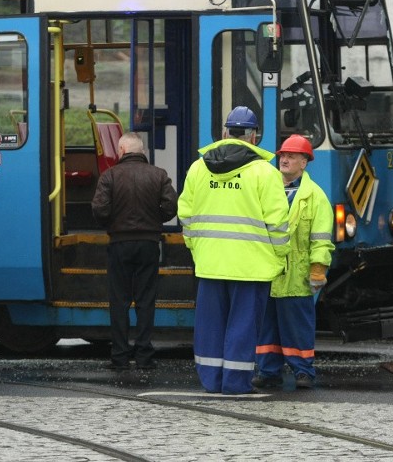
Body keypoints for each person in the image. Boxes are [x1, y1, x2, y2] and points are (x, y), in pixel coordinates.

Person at [178, 106, 290, 394]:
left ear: (225, 133)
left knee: (210, 327)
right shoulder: (265, 173)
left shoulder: (198, 168)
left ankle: (211, 381)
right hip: (252, 267)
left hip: (210, 264)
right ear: (254, 137)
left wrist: (197, 249)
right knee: (242, 327)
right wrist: (280, 258)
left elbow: (186, 216)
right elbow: (278, 224)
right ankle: (236, 383)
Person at [253, 134, 335, 389]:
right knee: (267, 329)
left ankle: (303, 371)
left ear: (304, 162)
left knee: (298, 328)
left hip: (297, 277)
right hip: (269, 273)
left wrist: (318, 269)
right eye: (283, 155)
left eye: (291, 156)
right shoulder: (268, 188)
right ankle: (268, 370)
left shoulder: (315, 197)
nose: (285, 159)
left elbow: (321, 239)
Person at [91, 132, 178, 370]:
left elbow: (99, 209)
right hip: (149, 243)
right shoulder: (158, 175)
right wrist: (155, 220)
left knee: (119, 301)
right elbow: (171, 205)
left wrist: (111, 223)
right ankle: (144, 356)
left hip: (119, 243)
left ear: (121, 150)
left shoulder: (110, 176)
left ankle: (119, 357)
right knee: (145, 300)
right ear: (141, 151)